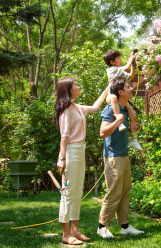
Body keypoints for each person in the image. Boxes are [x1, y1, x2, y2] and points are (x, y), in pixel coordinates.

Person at [53, 77, 109, 245]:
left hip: (79, 150)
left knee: (77, 193)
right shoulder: (66, 111)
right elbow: (64, 137)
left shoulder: (77, 108)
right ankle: (66, 234)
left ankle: (75, 230)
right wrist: (62, 159)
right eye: (76, 85)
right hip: (70, 152)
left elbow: (96, 106)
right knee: (67, 194)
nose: (78, 87)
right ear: (69, 90)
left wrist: (108, 86)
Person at [97, 78, 144, 238]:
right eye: (127, 86)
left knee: (125, 191)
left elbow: (119, 130)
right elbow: (103, 133)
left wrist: (131, 129)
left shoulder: (124, 110)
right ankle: (102, 226)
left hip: (123, 154)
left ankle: (124, 226)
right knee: (114, 192)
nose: (131, 88)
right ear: (120, 92)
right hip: (113, 156)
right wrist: (117, 122)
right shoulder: (111, 109)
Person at [103, 49, 143, 150]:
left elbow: (131, 75)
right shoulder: (112, 69)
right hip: (111, 96)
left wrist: (133, 64)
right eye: (119, 58)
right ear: (112, 62)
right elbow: (126, 68)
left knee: (133, 116)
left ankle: (134, 139)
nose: (121, 60)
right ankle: (119, 122)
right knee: (113, 97)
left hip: (121, 99)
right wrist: (130, 59)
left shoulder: (119, 71)